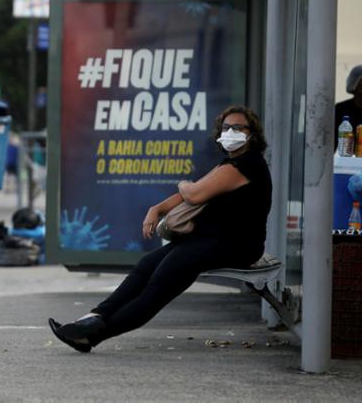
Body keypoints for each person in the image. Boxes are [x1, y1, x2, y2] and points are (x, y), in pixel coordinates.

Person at [48, 105, 272, 353]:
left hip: (234, 244)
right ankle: (93, 317)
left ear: (251, 133)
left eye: (238, 127)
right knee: (146, 266)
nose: (231, 131)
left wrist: (184, 182)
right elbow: (189, 194)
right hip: (207, 240)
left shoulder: (247, 165)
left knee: (158, 286)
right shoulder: (231, 163)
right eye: (226, 127)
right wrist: (157, 208)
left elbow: (194, 193)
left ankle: (92, 335)